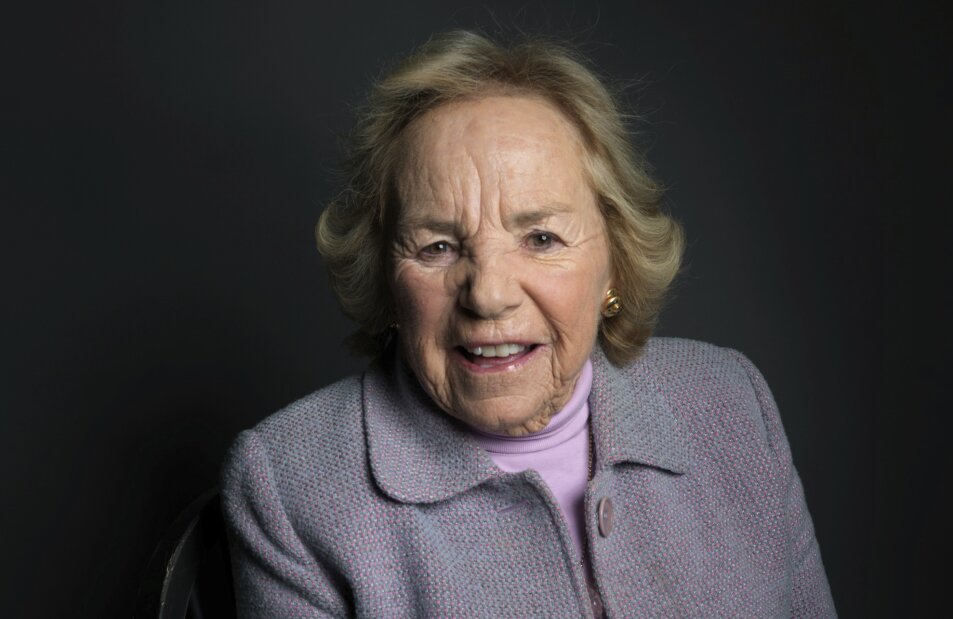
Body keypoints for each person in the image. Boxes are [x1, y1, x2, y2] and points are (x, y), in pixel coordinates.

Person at [222, 30, 836, 618]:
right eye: (437, 247)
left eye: (541, 238)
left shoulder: (730, 404)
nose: (488, 296)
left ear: (615, 262)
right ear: (385, 275)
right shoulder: (290, 485)